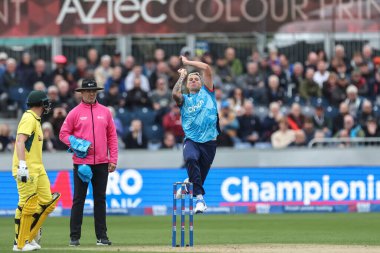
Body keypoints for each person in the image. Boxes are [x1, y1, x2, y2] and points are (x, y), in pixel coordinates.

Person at [59, 79, 118, 246]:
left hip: (101, 163)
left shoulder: (105, 112)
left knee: (100, 199)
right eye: (88, 91)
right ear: (81, 93)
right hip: (82, 163)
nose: (91, 94)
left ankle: (102, 237)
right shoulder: (74, 113)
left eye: (94, 91)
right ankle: (74, 237)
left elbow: (112, 137)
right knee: (79, 199)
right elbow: (63, 134)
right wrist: (76, 143)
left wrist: (112, 159)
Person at [12, 90, 61, 251]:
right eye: (45, 102)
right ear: (40, 104)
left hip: (38, 168)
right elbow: (19, 141)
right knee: (27, 204)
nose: (48, 105)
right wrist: (22, 166)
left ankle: (29, 236)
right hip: (27, 168)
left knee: (48, 203)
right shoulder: (28, 118)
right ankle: (20, 243)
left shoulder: (36, 120)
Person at [172, 56, 219, 214]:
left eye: (196, 78)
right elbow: (174, 95)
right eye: (190, 79)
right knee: (191, 158)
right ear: (187, 84)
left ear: (201, 82)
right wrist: (182, 77)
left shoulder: (208, 92)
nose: (193, 80)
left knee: (199, 178)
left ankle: (188, 185)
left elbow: (206, 68)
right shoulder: (184, 99)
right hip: (191, 140)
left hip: (210, 142)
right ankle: (200, 200)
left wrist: (188, 63)